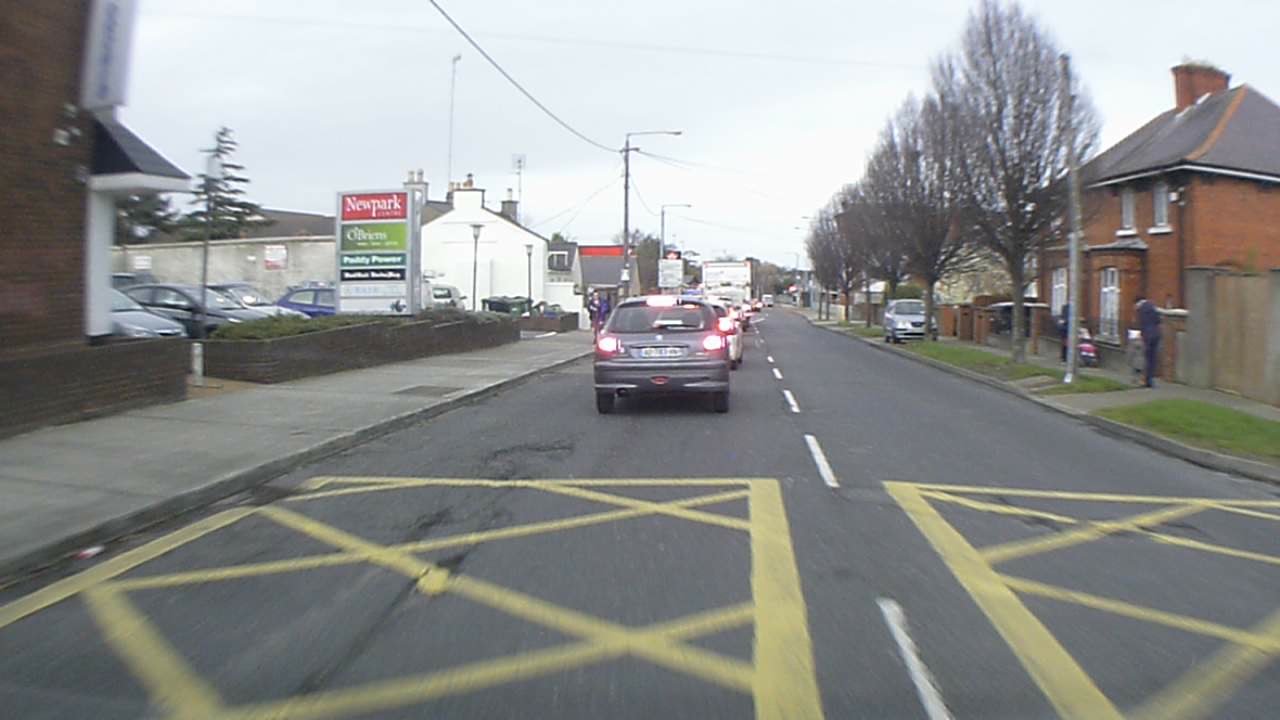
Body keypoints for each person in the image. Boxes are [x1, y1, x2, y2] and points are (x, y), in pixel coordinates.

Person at [1135, 296, 1162, 388]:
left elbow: (1143, 323)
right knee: (1152, 359)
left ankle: (1145, 381)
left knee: (1146, 358)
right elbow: (1158, 320)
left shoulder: (1142, 309)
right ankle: (1150, 380)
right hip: (1156, 335)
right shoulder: (1152, 306)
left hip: (1148, 336)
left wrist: (1142, 334)